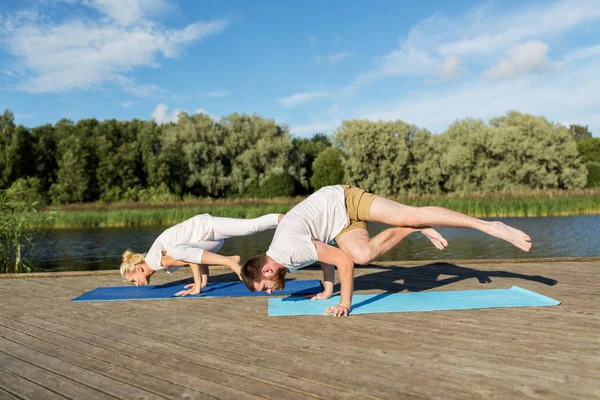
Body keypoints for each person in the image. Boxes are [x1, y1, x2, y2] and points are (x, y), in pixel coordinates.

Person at [241, 185, 532, 316]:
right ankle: (416, 227)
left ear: (267, 269)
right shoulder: (282, 256)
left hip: (345, 200)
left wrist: (344, 303)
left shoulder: (286, 250)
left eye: (265, 287)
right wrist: (327, 291)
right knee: (364, 254)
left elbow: (341, 260)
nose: (271, 291)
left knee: (411, 214)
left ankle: (488, 226)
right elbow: (323, 253)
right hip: (338, 227)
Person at [121, 213, 283, 296]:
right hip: (207, 241)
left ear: (139, 269)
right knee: (250, 227)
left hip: (206, 227)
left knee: (249, 226)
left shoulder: (154, 261)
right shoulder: (156, 258)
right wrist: (204, 281)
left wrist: (197, 288)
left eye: (133, 280)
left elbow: (191, 259)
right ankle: (229, 260)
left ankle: (230, 262)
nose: (137, 284)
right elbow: (196, 256)